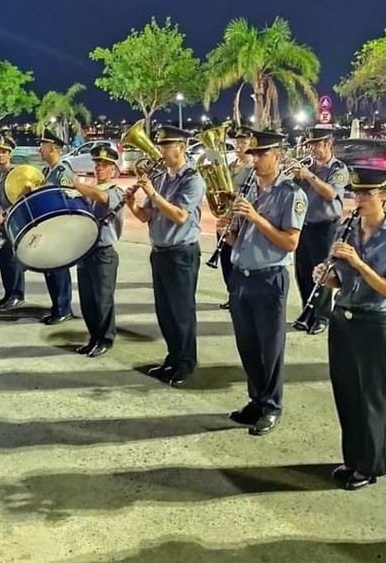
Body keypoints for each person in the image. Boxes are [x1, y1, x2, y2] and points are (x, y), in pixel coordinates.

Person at [313, 167, 386, 489]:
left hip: (374, 323)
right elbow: (341, 279)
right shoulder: (347, 228)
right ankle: (353, 458)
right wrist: (325, 278)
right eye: (357, 192)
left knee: (371, 398)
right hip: (344, 318)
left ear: (385, 195)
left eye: (368, 193)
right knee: (346, 394)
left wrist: (358, 263)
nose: (361, 198)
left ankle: (370, 466)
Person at [218, 129, 308, 436]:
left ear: (278, 156)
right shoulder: (249, 189)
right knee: (248, 346)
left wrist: (256, 218)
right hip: (241, 278)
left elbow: (290, 242)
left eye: (261, 155)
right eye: (252, 155)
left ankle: (271, 406)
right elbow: (241, 238)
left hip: (269, 279)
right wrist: (228, 231)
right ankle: (256, 400)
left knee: (270, 348)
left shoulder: (291, 194)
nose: (254, 160)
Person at [125, 125, 206, 387]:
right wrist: (132, 203)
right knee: (165, 311)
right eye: (160, 146)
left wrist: (153, 194)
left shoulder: (192, 179)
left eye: (165, 146)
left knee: (182, 311)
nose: (159, 151)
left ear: (181, 148)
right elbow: (145, 216)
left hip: (182, 253)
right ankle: (173, 358)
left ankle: (186, 364)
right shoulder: (159, 178)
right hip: (159, 252)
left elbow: (180, 216)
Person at [291, 127, 349, 334]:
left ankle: (322, 316)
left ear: (328, 144)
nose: (313, 149)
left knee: (322, 273)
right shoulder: (308, 168)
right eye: (310, 145)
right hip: (304, 226)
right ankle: (308, 311)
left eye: (316, 144)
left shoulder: (338, 169)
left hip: (326, 227)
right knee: (303, 272)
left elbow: (331, 193)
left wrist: (308, 176)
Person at [71, 144, 125, 357]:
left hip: (104, 253)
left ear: (113, 169)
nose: (99, 168)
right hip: (85, 252)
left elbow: (102, 198)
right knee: (88, 300)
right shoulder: (89, 192)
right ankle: (94, 337)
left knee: (103, 301)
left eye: (105, 165)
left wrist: (76, 185)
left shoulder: (116, 191)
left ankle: (105, 339)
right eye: (97, 164)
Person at [38, 128, 75, 324]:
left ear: (53, 148)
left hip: (59, 227)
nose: (39, 150)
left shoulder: (63, 171)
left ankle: (63, 309)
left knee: (59, 270)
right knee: (49, 270)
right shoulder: (47, 171)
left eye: (42, 146)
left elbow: (66, 199)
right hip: (47, 227)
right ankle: (56, 307)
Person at [218, 125, 254, 310]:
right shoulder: (231, 164)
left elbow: (252, 194)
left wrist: (231, 196)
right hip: (226, 217)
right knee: (225, 259)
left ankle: (241, 296)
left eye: (243, 142)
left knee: (238, 259)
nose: (239, 145)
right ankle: (232, 294)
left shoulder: (253, 168)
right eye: (237, 141)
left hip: (241, 219)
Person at [0, 135, 25, 310]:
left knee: (12, 260)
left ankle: (17, 294)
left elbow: (20, 200)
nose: (0, 155)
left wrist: (4, 214)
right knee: (2, 260)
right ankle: (8, 293)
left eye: (4, 152)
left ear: (10, 154)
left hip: (11, 224)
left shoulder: (14, 174)